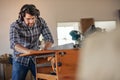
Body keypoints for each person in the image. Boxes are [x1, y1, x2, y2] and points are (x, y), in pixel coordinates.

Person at [9, 4, 54, 80]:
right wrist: (29, 51)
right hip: (20, 59)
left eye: (33, 18)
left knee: (44, 78)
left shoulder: (41, 22)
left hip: (35, 58)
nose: (31, 21)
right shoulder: (15, 26)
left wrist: (45, 49)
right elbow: (14, 44)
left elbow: (49, 39)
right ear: (22, 17)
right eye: (28, 19)